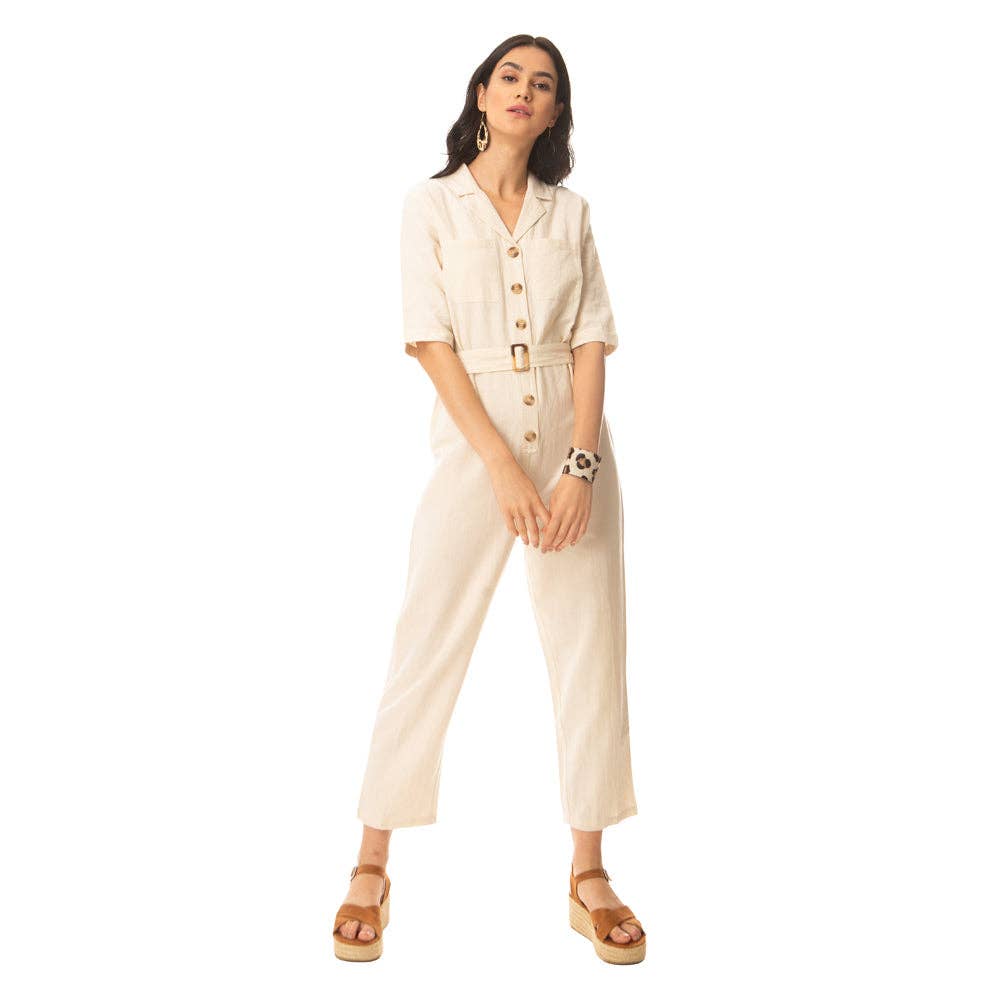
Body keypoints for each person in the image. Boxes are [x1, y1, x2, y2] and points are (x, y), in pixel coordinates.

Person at [333, 35, 645, 965]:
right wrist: (504, 468)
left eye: (542, 85)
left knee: (590, 646)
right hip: (477, 441)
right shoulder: (429, 204)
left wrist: (579, 464)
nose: (523, 91)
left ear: (555, 113)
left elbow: (591, 336)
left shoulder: (569, 212)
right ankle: (371, 857)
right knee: (427, 639)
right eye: (509, 76)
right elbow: (430, 341)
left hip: (573, 437)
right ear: (480, 92)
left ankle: (589, 871)